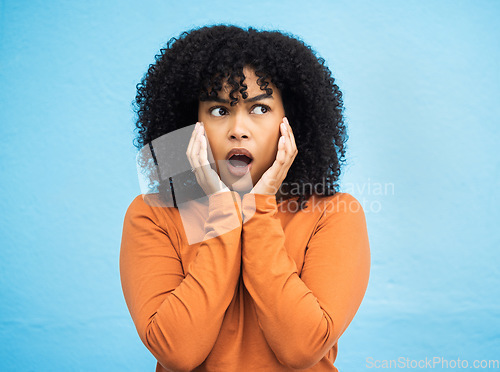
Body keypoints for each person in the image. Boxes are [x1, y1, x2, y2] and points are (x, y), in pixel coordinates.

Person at [120, 24, 370, 371]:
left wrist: (258, 209)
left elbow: (301, 348)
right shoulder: (153, 215)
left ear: (291, 121)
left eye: (259, 109)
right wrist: (224, 210)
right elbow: (177, 352)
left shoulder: (334, 214)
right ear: (192, 125)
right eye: (219, 111)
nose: (238, 128)